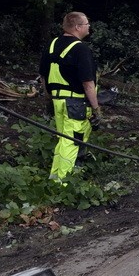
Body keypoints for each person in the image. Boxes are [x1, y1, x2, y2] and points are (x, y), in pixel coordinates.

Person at [39, 11, 101, 182]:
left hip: (58, 101)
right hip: (76, 103)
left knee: (63, 139)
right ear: (77, 27)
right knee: (72, 141)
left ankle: (54, 178)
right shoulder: (80, 49)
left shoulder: (51, 45)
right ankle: (63, 183)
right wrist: (96, 108)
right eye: (87, 24)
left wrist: (48, 100)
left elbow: (43, 77)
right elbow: (88, 83)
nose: (89, 27)